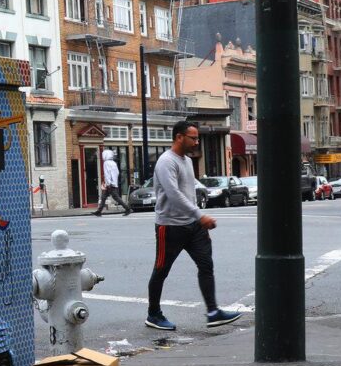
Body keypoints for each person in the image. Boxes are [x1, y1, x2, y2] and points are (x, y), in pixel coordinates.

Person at [145, 121, 242, 331]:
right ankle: (153, 314)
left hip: (194, 227)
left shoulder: (187, 161)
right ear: (179, 137)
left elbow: (188, 193)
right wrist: (200, 216)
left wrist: (198, 221)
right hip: (169, 227)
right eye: (193, 138)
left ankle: (213, 312)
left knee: (206, 265)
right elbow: (174, 195)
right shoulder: (166, 162)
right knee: (161, 270)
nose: (196, 142)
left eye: (197, 138)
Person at [92, 148, 131, 216]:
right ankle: (99, 211)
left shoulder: (106, 163)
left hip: (109, 184)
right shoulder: (113, 163)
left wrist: (108, 183)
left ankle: (128, 209)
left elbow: (107, 174)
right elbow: (117, 173)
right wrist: (113, 182)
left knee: (116, 198)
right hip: (113, 183)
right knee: (103, 197)